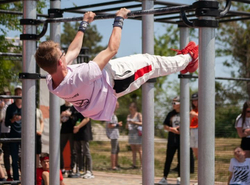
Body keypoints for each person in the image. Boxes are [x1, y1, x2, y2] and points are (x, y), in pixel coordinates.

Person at [34, 9, 199, 122]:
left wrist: (84, 24)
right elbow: (112, 49)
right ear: (59, 62)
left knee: (150, 62)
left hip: (104, 85)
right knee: (151, 63)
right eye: (61, 54)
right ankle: (189, 59)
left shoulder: (52, 82)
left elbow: (73, 51)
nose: (64, 54)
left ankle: (183, 60)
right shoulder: (81, 75)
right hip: (119, 78)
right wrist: (119, 18)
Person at [7, 153, 84, 185]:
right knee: (25, 174)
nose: (46, 164)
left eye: (48, 162)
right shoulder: (37, 170)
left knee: (45, 173)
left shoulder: (56, 171)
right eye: (44, 162)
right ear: (41, 163)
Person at [157, 96, 181, 185]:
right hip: (172, 139)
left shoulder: (186, 113)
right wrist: (172, 129)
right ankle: (164, 177)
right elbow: (165, 126)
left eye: (175, 103)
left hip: (182, 140)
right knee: (169, 158)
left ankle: (180, 177)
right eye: (172, 103)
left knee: (181, 159)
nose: (173, 105)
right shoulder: (170, 114)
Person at [5, 86, 22, 182]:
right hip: (13, 135)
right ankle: (16, 178)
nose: (19, 94)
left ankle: (25, 179)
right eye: (17, 93)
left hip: (24, 136)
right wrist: (13, 119)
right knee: (14, 158)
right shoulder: (10, 108)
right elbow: (6, 123)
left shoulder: (27, 106)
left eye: (20, 92)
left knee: (24, 158)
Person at [72, 110, 94, 179]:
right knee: (77, 152)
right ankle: (80, 170)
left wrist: (78, 127)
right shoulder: (75, 107)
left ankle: (89, 171)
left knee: (86, 152)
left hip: (84, 132)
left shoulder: (86, 106)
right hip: (76, 133)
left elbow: (87, 118)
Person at [0, 87, 13, 181]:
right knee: (5, 154)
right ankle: (7, 174)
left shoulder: (12, 103)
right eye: (4, 93)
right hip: (2, 130)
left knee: (14, 154)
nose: (6, 95)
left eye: (7, 93)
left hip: (11, 131)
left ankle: (14, 175)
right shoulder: (1, 104)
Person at [60, 101, 75, 175]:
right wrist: (61, 115)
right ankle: (61, 167)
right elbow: (58, 120)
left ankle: (71, 168)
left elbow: (76, 118)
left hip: (72, 131)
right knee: (60, 149)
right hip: (63, 131)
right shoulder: (61, 107)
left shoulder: (74, 107)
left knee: (73, 150)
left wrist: (70, 114)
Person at [106, 101, 122, 170]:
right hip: (113, 135)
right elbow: (109, 125)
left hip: (115, 134)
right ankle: (113, 166)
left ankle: (116, 164)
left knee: (117, 149)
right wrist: (118, 125)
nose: (118, 107)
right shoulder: (110, 114)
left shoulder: (113, 114)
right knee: (114, 150)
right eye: (116, 105)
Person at [126, 102, 143, 169]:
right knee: (133, 150)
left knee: (140, 150)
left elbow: (142, 123)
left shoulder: (139, 115)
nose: (131, 110)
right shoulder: (129, 116)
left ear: (135, 108)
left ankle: (142, 165)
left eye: (132, 108)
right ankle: (134, 164)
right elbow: (127, 126)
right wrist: (127, 124)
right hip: (131, 133)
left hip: (137, 134)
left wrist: (134, 122)